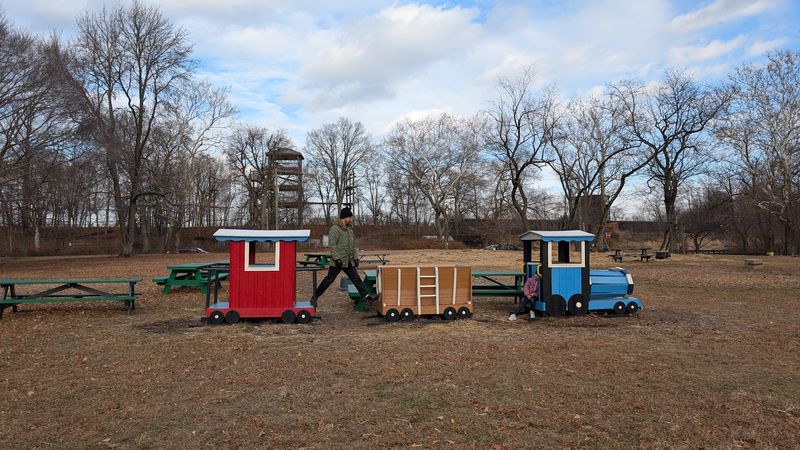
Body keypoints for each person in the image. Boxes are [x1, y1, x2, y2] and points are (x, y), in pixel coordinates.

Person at [310, 207, 376, 307]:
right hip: (339, 261)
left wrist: (355, 258)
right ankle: (314, 297)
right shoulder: (335, 229)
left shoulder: (349, 230)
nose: (351, 219)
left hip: (349, 261)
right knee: (329, 280)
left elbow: (353, 245)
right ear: (344, 217)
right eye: (349, 217)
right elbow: (332, 245)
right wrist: (337, 259)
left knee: (356, 279)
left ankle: (367, 297)